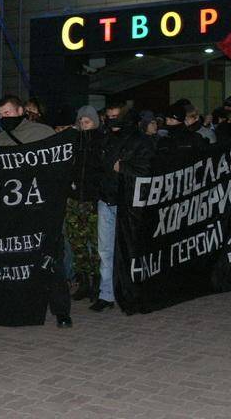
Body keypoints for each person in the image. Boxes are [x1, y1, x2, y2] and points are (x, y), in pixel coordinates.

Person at [0, 95, 73, 327]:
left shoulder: (43, 133)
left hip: (42, 208)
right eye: (1, 115)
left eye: (8, 113)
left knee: (51, 257)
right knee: (16, 259)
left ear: (20, 111)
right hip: (14, 211)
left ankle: (61, 311)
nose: (4, 118)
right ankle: (19, 305)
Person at [92, 101, 154, 311]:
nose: (113, 121)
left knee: (129, 250)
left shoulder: (140, 141)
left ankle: (131, 291)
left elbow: (149, 168)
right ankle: (106, 294)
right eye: (109, 117)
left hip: (128, 204)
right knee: (105, 250)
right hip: (106, 200)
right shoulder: (105, 138)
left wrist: (124, 167)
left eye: (116, 116)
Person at [67, 106, 103, 302]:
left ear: (94, 122)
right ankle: (83, 281)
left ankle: (97, 282)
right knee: (77, 242)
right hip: (74, 200)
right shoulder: (74, 141)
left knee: (96, 244)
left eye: (87, 121)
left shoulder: (101, 141)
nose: (83, 125)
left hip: (92, 200)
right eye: (80, 121)